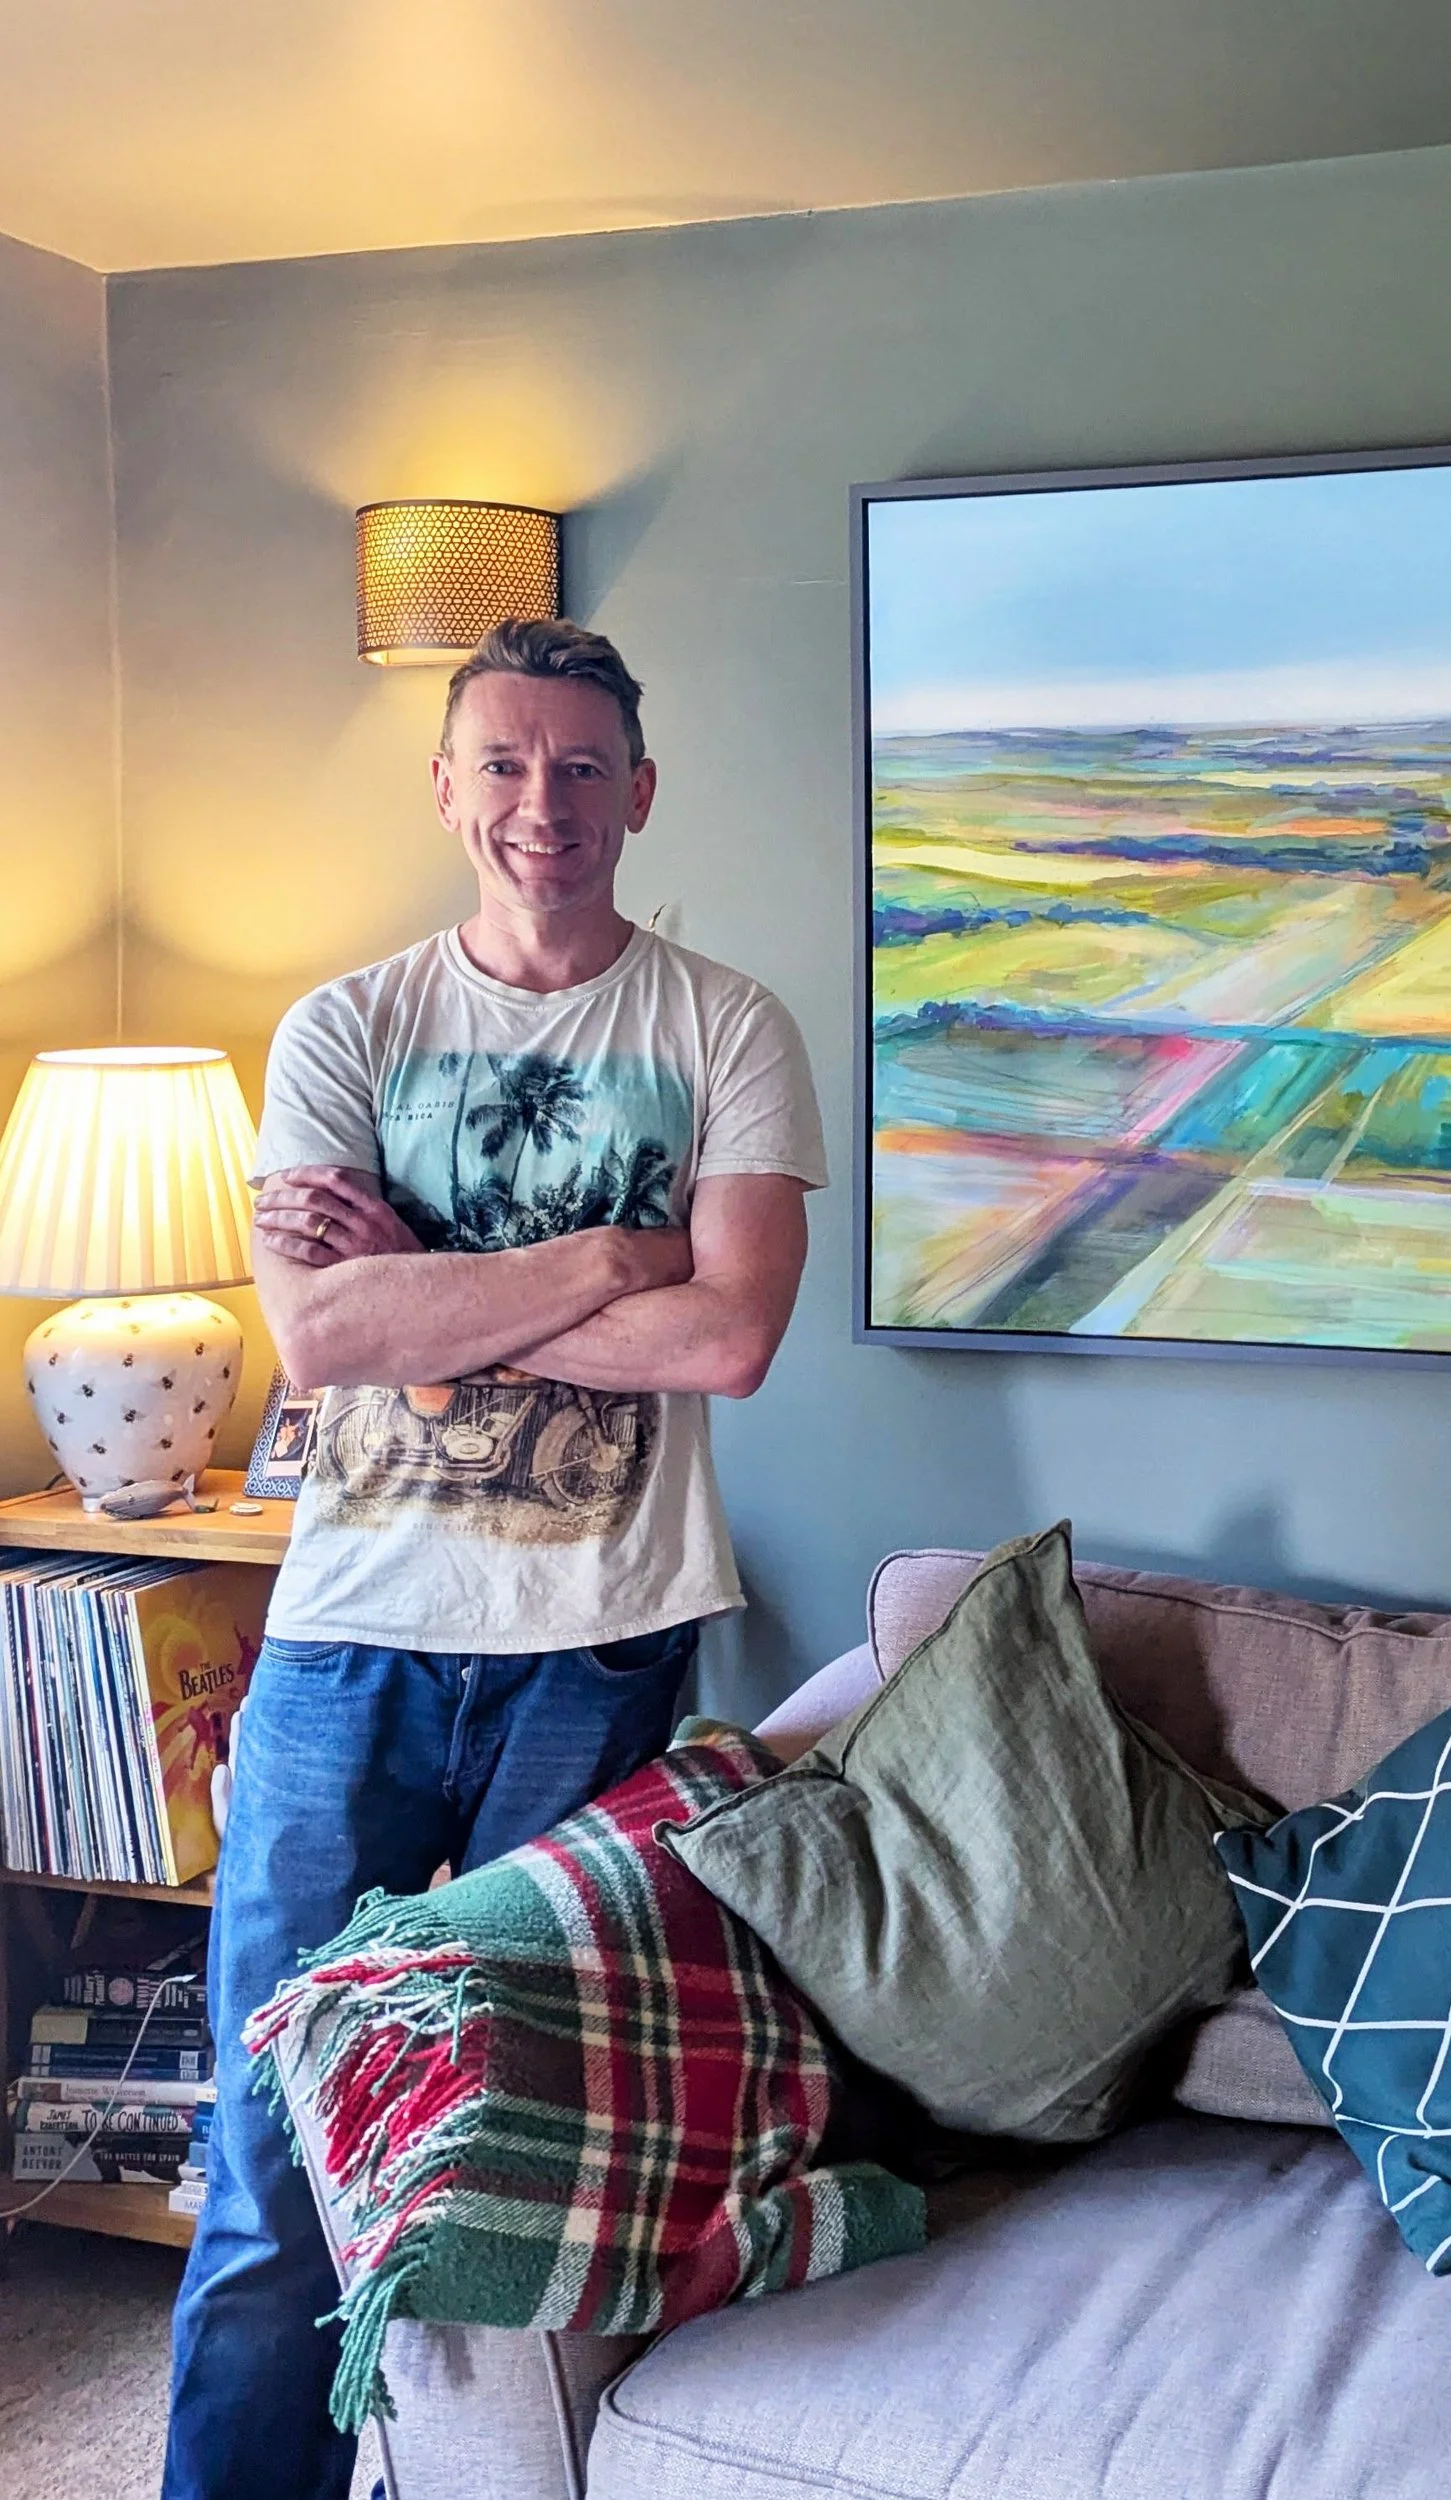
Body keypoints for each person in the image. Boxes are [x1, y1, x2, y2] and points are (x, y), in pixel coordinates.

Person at [162, 619, 826, 2500]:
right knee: (280, 2150)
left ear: (641, 787)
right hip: (348, 1648)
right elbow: (323, 1345)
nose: (546, 804)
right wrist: (608, 1259)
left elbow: (730, 1345)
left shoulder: (725, 1026)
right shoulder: (343, 1028)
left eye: (582, 766)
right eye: (507, 765)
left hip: (600, 1650)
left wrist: (426, 1286)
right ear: (449, 788)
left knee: (534, 2143)